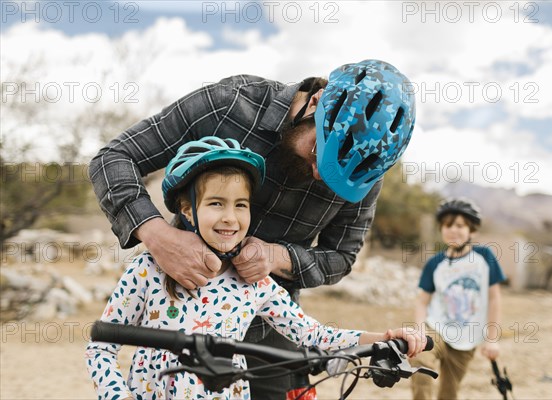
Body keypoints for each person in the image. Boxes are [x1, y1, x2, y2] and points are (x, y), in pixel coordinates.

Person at [89, 59, 416, 398]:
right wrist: (158, 236)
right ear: (316, 102)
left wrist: (278, 258)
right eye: (321, 151)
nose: (322, 174)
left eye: (338, 174)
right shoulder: (229, 104)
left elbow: (342, 258)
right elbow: (113, 158)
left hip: (272, 338)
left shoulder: (361, 169)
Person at [410, 198, 507, 400]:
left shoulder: (484, 257)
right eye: (447, 225)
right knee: (420, 360)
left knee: (449, 392)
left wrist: (491, 338)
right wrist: (420, 330)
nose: (453, 230)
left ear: (472, 231)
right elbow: (422, 300)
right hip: (437, 328)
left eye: (460, 226)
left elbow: (494, 299)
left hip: (467, 337)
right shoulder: (435, 263)